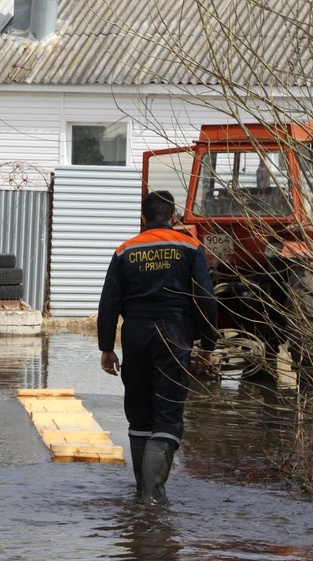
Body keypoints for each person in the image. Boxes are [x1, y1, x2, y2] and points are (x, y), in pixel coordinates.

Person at [97, 190, 217, 505]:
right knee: (167, 415)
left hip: (135, 335)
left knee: (139, 416)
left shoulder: (125, 250)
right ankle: (153, 498)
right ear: (174, 217)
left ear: (143, 219)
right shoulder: (190, 246)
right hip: (174, 334)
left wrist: (107, 347)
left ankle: (141, 494)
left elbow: (109, 302)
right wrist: (208, 344)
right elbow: (205, 297)